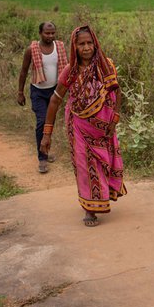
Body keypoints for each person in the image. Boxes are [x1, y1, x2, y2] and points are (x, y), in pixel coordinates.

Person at [41, 25, 126, 226]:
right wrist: (47, 134)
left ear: (95, 44)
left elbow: (117, 92)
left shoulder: (106, 66)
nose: (86, 47)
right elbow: (55, 100)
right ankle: (89, 209)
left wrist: (114, 119)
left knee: (104, 163)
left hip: (104, 128)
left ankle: (103, 195)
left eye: (89, 43)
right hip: (78, 125)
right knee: (84, 166)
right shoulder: (70, 71)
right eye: (81, 44)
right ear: (75, 47)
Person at [17, 22, 68, 173]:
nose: (50, 36)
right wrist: (20, 92)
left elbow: (67, 68)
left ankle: (45, 150)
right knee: (41, 122)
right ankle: (42, 158)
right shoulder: (31, 49)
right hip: (38, 91)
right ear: (40, 33)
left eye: (52, 33)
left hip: (54, 91)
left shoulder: (59, 47)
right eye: (47, 33)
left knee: (49, 123)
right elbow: (23, 71)